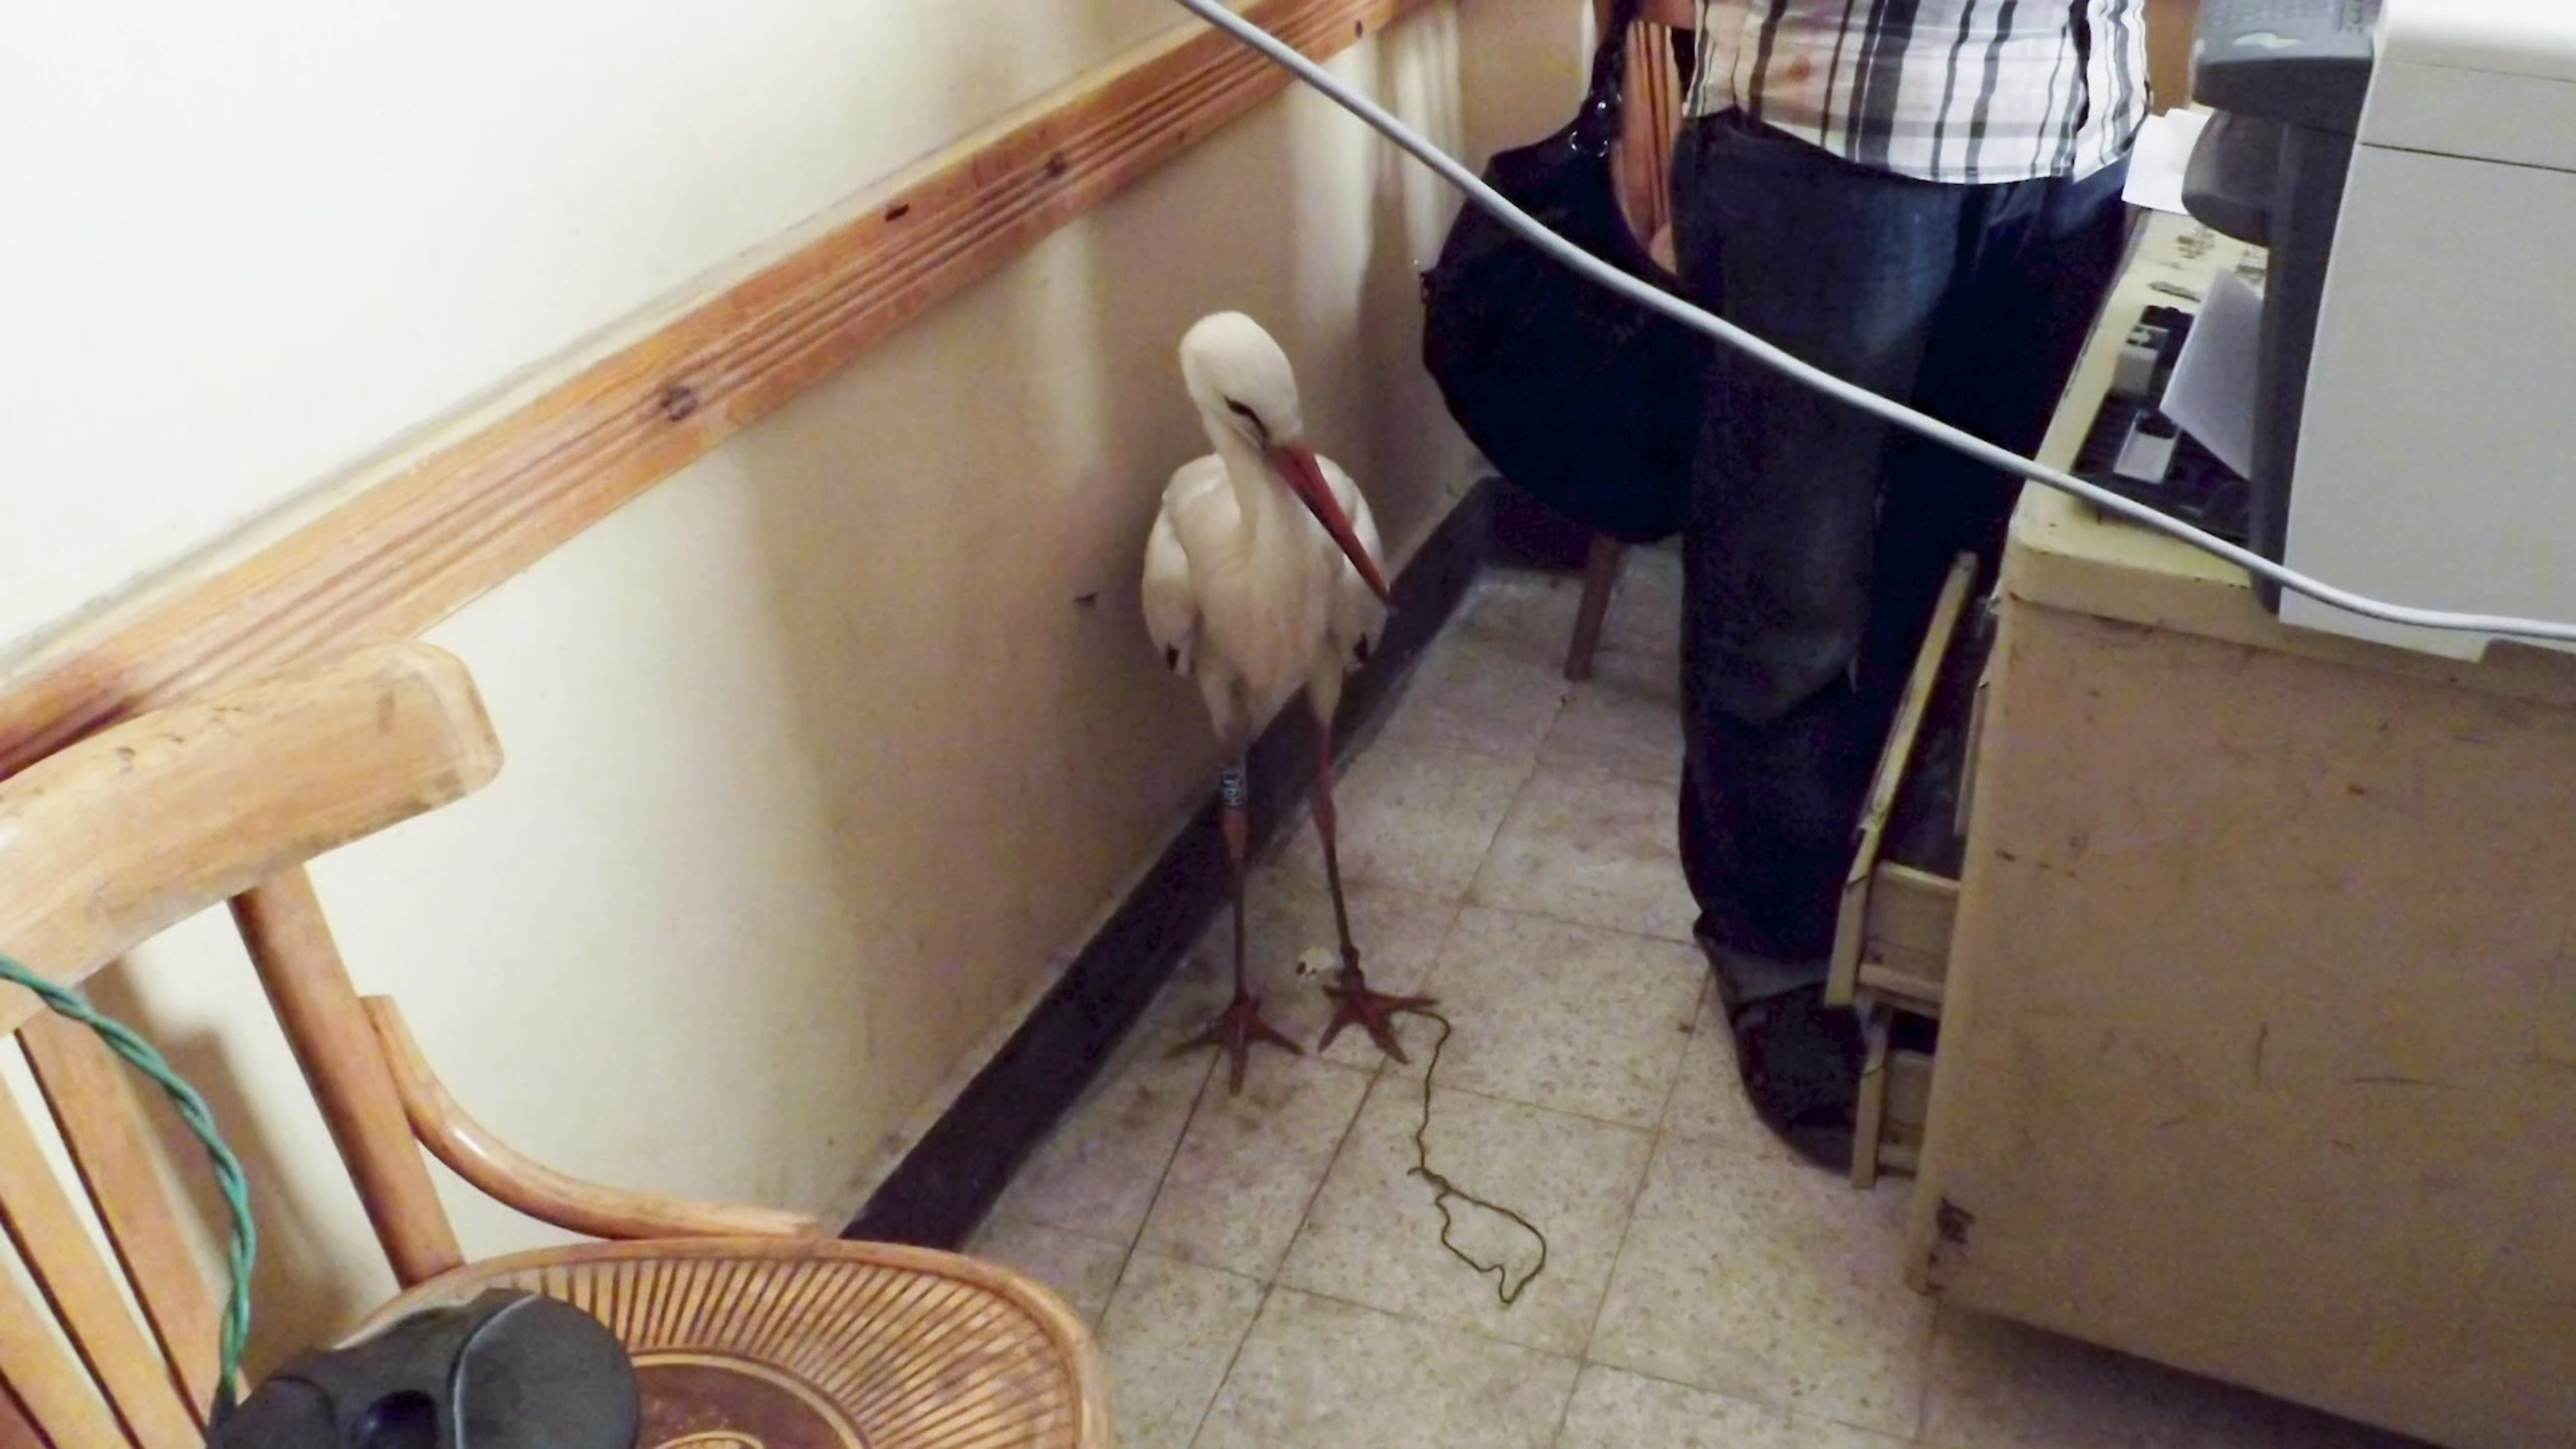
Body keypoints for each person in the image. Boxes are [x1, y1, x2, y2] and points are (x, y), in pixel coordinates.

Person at [1657, 1, 2156, 1169]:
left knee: (1966, 581)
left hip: (2075, 124)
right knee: (1787, 588)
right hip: (1848, 128)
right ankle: (1774, 945)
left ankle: (1891, 909)